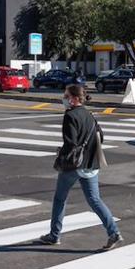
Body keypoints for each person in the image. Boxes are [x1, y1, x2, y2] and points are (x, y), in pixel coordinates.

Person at [38, 84, 122, 250]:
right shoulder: (90, 115)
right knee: (95, 200)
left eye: (66, 95)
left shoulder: (70, 115)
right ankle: (113, 232)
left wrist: (61, 154)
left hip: (74, 166)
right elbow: (100, 137)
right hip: (91, 165)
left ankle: (54, 235)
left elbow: (71, 143)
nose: (64, 98)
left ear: (75, 98)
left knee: (60, 199)